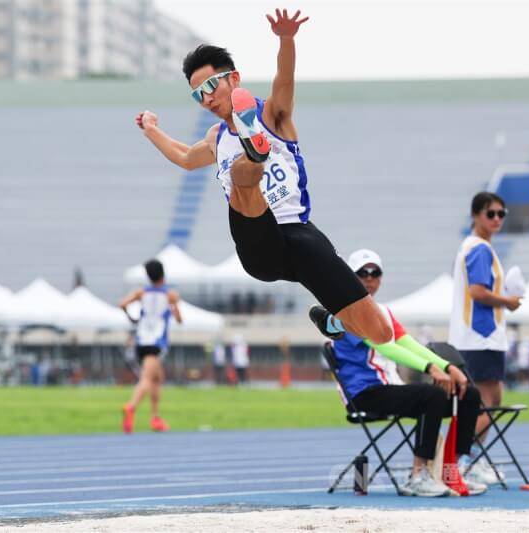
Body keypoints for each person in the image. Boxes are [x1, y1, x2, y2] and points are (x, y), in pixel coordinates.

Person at [134, 8, 395, 352]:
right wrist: (152, 130)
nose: (208, 99)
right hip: (258, 240)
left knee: (379, 332)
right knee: (243, 176)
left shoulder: (274, 114)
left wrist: (286, 40)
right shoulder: (215, 137)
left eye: (211, 86)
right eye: (199, 95)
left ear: (234, 79)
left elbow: (284, 80)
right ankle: (253, 150)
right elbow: (184, 157)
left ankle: (328, 321)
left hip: (299, 233)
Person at [333, 249, 486, 497]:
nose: (370, 278)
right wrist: (430, 368)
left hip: (390, 387)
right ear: (351, 277)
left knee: (469, 394)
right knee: (431, 395)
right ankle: (417, 476)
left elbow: (407, 343)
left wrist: (448, 367)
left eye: (375, 273)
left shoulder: (382, 312)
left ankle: (452, 472)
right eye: (362, 273)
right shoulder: (344, 312)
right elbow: (384, 346)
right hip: (364, 393)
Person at [448, 191, 522, 484]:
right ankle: (456, 460)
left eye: (501, 214)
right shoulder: (479, 249)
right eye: (490, 213)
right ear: (475, 216)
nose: (496, 219)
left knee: (489, 402)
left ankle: (467, 459)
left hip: (480, 338)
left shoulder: (474, 247)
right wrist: (508, 302)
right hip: (480, 338)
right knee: (486, 405)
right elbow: (477, 292)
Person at [119, 259, 182, 433]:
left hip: (141, 340)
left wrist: (131, 318)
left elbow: (122, 304)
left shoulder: (141, 293)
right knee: (147, 379)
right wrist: (174, 312)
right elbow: (178, 319)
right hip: (156, 342)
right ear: (163, 274)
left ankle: (155, 418)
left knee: (157, 378)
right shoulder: (171, 295)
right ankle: (131, 406)